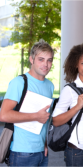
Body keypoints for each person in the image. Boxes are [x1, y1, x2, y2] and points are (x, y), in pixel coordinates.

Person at [0, 39, 54, 167]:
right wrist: (36, 116)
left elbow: (45, 120)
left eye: (49, 60)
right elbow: (4, 115)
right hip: (21, 153)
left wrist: (45, 144)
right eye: (41, 59)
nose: (45, 64)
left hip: (42, 152)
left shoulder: (50, 86)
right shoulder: (19, 82)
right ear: (31, 59)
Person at [52, 43, 83, 167]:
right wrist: (77, 107)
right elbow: (56, 121)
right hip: (77, 150)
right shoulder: (70, 90)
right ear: (76, 64)